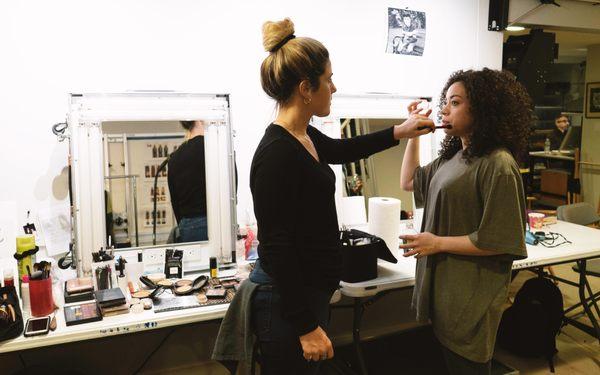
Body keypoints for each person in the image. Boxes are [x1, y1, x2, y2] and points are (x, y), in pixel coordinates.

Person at [249, 18, 434, 374]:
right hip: (288, 304)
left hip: (309, 294)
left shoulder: (305, 135)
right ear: (306, 87)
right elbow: (276, 246)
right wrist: (305, 326)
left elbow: (342, 149)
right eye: (329, 79)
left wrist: (401, 130)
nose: (334, 87)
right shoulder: (276, 152)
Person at [399, 68, 531, 375]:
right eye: (445, 101)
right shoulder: (453, 158)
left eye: (455, 102)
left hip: (471, 298)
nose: (445, 109)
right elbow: (408, 181)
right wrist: (412, 134)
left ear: (483, 108)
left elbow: (500, 240)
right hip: (447, 293)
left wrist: (437, 243)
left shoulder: (498, 163)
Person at [167, 120, 208, 242]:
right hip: (216, 221)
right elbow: (232, 187)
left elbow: (174, 199)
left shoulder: (175, 157)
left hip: (188, 225)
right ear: (199, 120)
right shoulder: (215, 150)